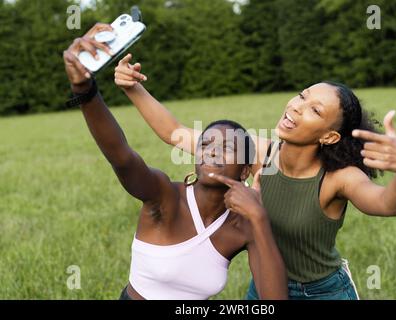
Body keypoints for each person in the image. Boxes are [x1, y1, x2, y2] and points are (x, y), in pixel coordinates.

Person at [113, 54, 396, 300]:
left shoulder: (339, 178)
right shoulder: (261, 154)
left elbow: (387, 204)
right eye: (302, 95)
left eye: (314, 109)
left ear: (329, 136)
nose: (296, 107)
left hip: (323, 292)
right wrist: (132, 87)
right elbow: (174, 133)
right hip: (266, 286)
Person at [63, 23, 287, 300]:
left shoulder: (244, 223)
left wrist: (259, 217)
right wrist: (84, 90)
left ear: (244, 170)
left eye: (227, 147)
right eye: (205, 144)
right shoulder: (164, 195)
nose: (211, 151)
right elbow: (121, 157)